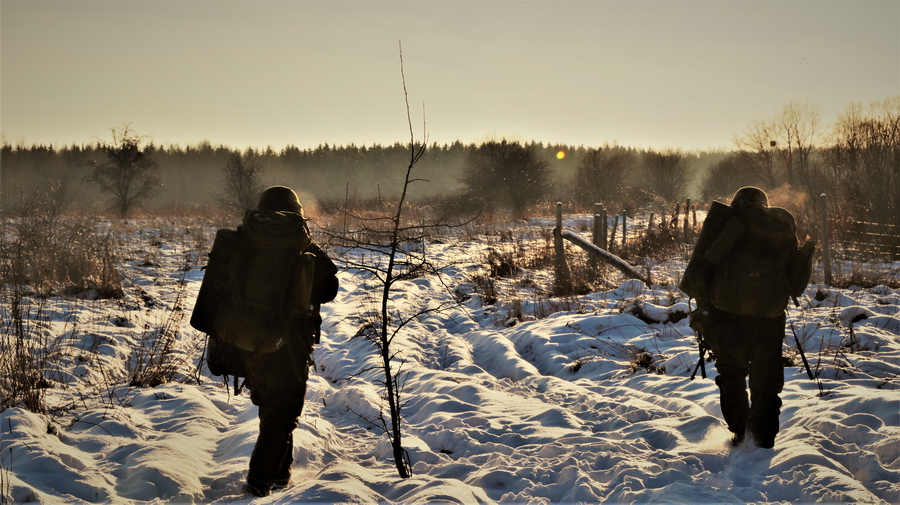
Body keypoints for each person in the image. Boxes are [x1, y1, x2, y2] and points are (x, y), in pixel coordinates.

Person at [216, 186, 339, 497]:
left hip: (245, 340)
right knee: (283, 414)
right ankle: (258, 483)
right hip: (291, 344)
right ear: (296, 213)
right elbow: (329, 289)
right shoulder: (304, 244)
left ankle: (281, 477)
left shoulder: (242, 240)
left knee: (272, 409)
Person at [681, 186, 814, 449]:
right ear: (764, 205)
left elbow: (709, 262)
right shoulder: (782, 229)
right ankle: (763, 441)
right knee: (766, 381)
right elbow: (795, 285)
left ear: (738, 203)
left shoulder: (731, 225)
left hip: (728, 316)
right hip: (770, 317)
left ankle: (741, 433)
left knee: (732, 375)